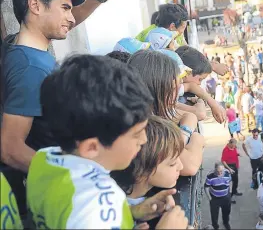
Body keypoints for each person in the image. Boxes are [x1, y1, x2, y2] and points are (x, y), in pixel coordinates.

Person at [1, 0, 123, 216]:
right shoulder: (30, 68)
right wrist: (78, 180)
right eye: (65, 8)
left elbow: (68, 20)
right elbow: (10, 148)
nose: (71, 17)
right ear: (35, 6)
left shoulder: (22, 46)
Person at [26, 55, 187, 229]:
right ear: (92, 147)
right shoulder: (99, 204)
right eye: (136, 134)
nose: (144, 140)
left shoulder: (44, 158)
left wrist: (130, 212)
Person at [110, 115, 185, 229]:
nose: (181, 166)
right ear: (141, 171)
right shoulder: (104, 204)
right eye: (172, 164)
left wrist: (132, 214)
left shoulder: (157, 200)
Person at [204, 162, 232, 230]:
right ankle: (215, 226)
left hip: (226, 197)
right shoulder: (210, 176)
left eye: (221, 171)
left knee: (226, 212)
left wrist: (230, 191)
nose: (220, 173)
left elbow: (230, 181)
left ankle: (226, 222)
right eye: (218, 171)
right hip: (214, 198)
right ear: (215, 169)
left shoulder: (227, 173)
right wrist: (210, 198)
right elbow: (206, 187)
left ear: (224, 169)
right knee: (214, 214)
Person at [221, 139, 243, 203]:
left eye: (235, 145)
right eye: (233, 145)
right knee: (229, 182)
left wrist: (238, 154)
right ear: (230, 144)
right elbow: (223, 161)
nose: (234, 147)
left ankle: (234, 191)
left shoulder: (233, 147)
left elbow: (234, 153)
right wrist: (229, 169)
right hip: (230, 166)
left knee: (236, 180)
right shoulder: (225, 150)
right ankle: (229, 198)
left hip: (235, 165)